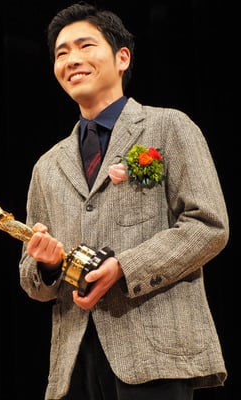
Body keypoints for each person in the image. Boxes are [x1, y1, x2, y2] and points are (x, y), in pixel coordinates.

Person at [18, 2, 228, 399]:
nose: (72, 59)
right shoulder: (48, 166)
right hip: (74, 363)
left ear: (122, 58)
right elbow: (33, 281)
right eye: (62, 53)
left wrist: (125, 268)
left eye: (85, 46)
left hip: (155, 354)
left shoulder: (169, 126)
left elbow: (208, 225)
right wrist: (46, 266)